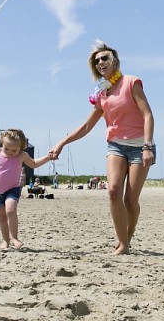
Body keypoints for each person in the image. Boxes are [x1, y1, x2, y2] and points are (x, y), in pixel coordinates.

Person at [50, 40, 156, 255]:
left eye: (104, 58)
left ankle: (129, 233)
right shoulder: (101, 93)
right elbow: (87, 126)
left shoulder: (131, 82)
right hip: (116, 145)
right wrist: (62, 143)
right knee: (114, 191)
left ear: (114, 60)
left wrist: (147, 146)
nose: (101, 62)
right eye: (97, 61)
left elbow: (148, 115)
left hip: (139, 146)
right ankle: (123, 244)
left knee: (130, 201)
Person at [0, 129, 53, 251]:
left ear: (21, 147)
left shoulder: (22, 156)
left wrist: (48, 157)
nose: (10, 152)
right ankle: (5, 241)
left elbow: (34, 163)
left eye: (14, 150)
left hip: (12, 189)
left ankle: (14, 237)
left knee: (10, 210)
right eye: (7, 149)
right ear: (2, 144)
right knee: (2, 217)